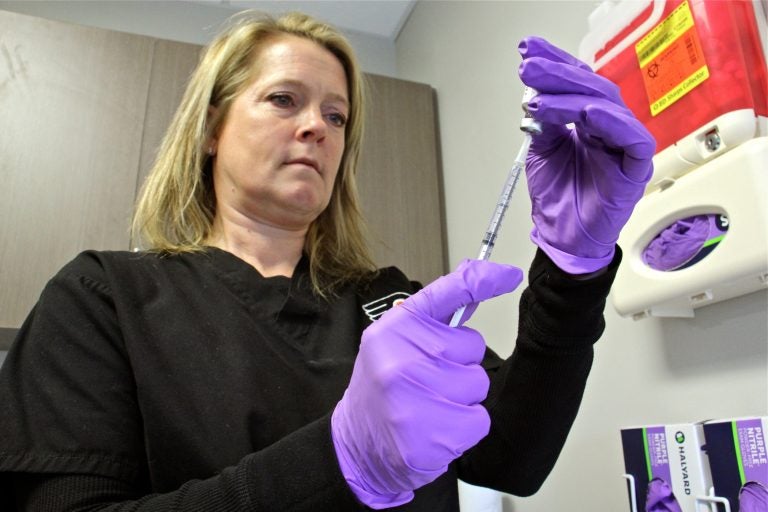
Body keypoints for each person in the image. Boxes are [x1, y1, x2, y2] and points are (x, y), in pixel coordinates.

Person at [0, 11, 655, 511]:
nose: (317, 127)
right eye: (284, 99)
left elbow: (514, 457)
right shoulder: (104, 298)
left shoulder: (388, 301)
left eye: (336, 116)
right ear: (210, 128)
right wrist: (339, 462)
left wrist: (573, 266)